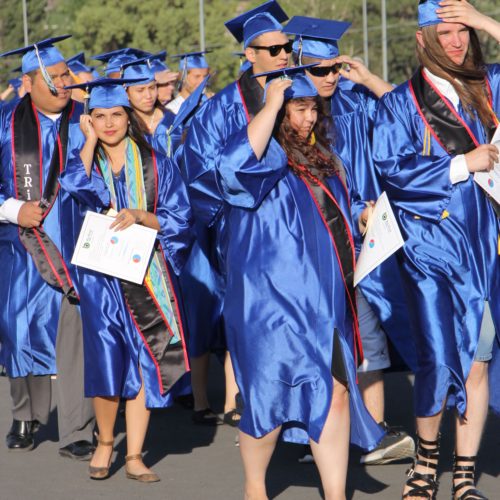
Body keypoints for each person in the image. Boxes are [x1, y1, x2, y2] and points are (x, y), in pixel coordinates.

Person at [217, 64, 384, 500]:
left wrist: (361, 215)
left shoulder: (325, 159)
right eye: (299, 109)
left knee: (336, 391)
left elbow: (332, 218)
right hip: (270, 300)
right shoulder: (266, 156)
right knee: (267, 397)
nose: (308, 118)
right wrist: (271, 105)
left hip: (324, 298)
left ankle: (335, 494)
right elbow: (230, 172)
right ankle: (255, 489)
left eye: (313, 109)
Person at [372, 1, 500, 498]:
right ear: (422, 37)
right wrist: (460, 164)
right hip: (430, 250)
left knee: (478, 359)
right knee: (436, 357)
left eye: (463, 31)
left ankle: (463, 474)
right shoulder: (399, 103)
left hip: (485, 248)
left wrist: (485, 17)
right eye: (444, 32)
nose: (456, 41)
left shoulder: (486, 86)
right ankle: (425, 464)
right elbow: (394, 170)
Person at [284, 15, 416, 466]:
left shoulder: (357, 101)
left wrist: (368, 77)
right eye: (319, 69)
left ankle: (373, 434)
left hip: (366, 236)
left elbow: (412, 114)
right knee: (322, 339)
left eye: (334, 68)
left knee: (368, 335)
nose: (329, 77)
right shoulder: (290, 112)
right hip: (314, 244)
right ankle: (322, 432)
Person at [60, 78, 194, 482]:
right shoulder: (85, 160)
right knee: (106, 360)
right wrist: (85, 141)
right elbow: (74, 186)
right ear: (90, 121)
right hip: (102, 280)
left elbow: (179, 218)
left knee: (143, 361)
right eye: (98, 116)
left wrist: (140, 216)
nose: (109, 123)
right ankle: (105, 442)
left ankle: (134, 454)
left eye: (116, 114)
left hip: (145, 275)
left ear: (128, 116)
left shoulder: (156, 163)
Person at [181, 0, 292, 430]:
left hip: (295, 226)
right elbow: (202, 177)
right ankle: (246, 398)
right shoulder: (221, 108)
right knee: (252, 317)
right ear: (250, 54)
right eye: (273, 48)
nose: (284, 55)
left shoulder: (298, 95)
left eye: (287, 46)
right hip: (243, 230)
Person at [0, 36, 95, 458]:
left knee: (77, 337)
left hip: (77, 246)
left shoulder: (88, 118)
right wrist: (12, 208)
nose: (65, 84)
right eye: (55, 78)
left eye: (67, 76)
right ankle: (26, 413)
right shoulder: (5, 122)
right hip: (23, 247)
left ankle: (78, 428)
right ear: (28, 83)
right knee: (18, 329)